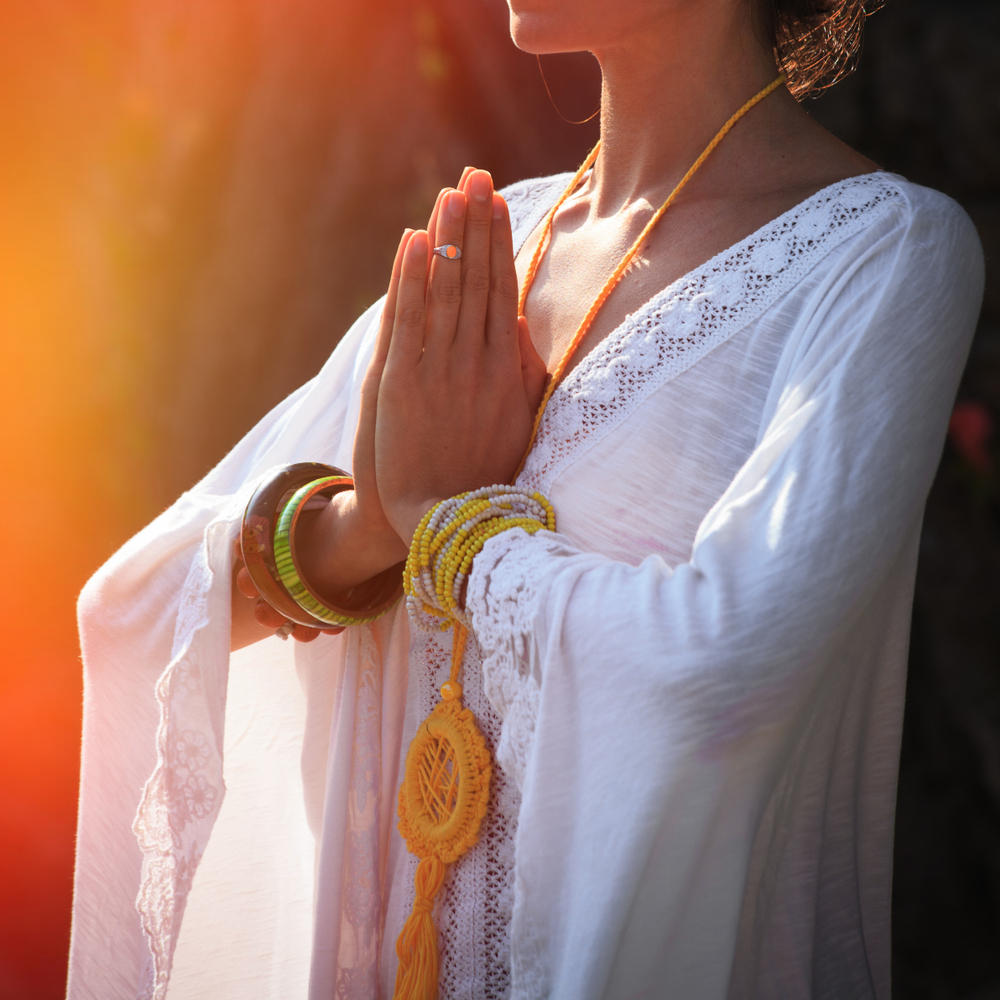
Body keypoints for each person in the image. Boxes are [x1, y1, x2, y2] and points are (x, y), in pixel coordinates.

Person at [69, 0, 985, 996]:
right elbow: (139, 600)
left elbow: (725, 663)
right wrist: (369, 526)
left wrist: (449, 531)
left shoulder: (879, 253)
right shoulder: (492, 245)